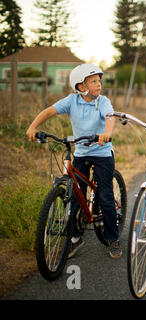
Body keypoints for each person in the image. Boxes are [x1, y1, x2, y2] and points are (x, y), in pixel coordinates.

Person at [26, 63, 122, 259]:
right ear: (81, 86)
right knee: (76, 195)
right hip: (81, 152)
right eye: (93, 81)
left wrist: (107, 133)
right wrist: (33, 127)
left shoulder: (103, 101)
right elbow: (49, 111)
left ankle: (113, 238)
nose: (99, 84)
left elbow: (110, 118)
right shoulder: (72, 101)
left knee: (104, 196)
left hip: (102, 153)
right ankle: (75, 237)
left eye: (99, 80)